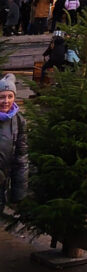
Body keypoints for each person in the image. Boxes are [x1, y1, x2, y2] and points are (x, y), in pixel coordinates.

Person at [0, 73, 28, 212]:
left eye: (10, 96)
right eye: (2, 97)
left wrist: (19, 193)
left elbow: (21, 158)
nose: (6, 101)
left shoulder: (18, 121)